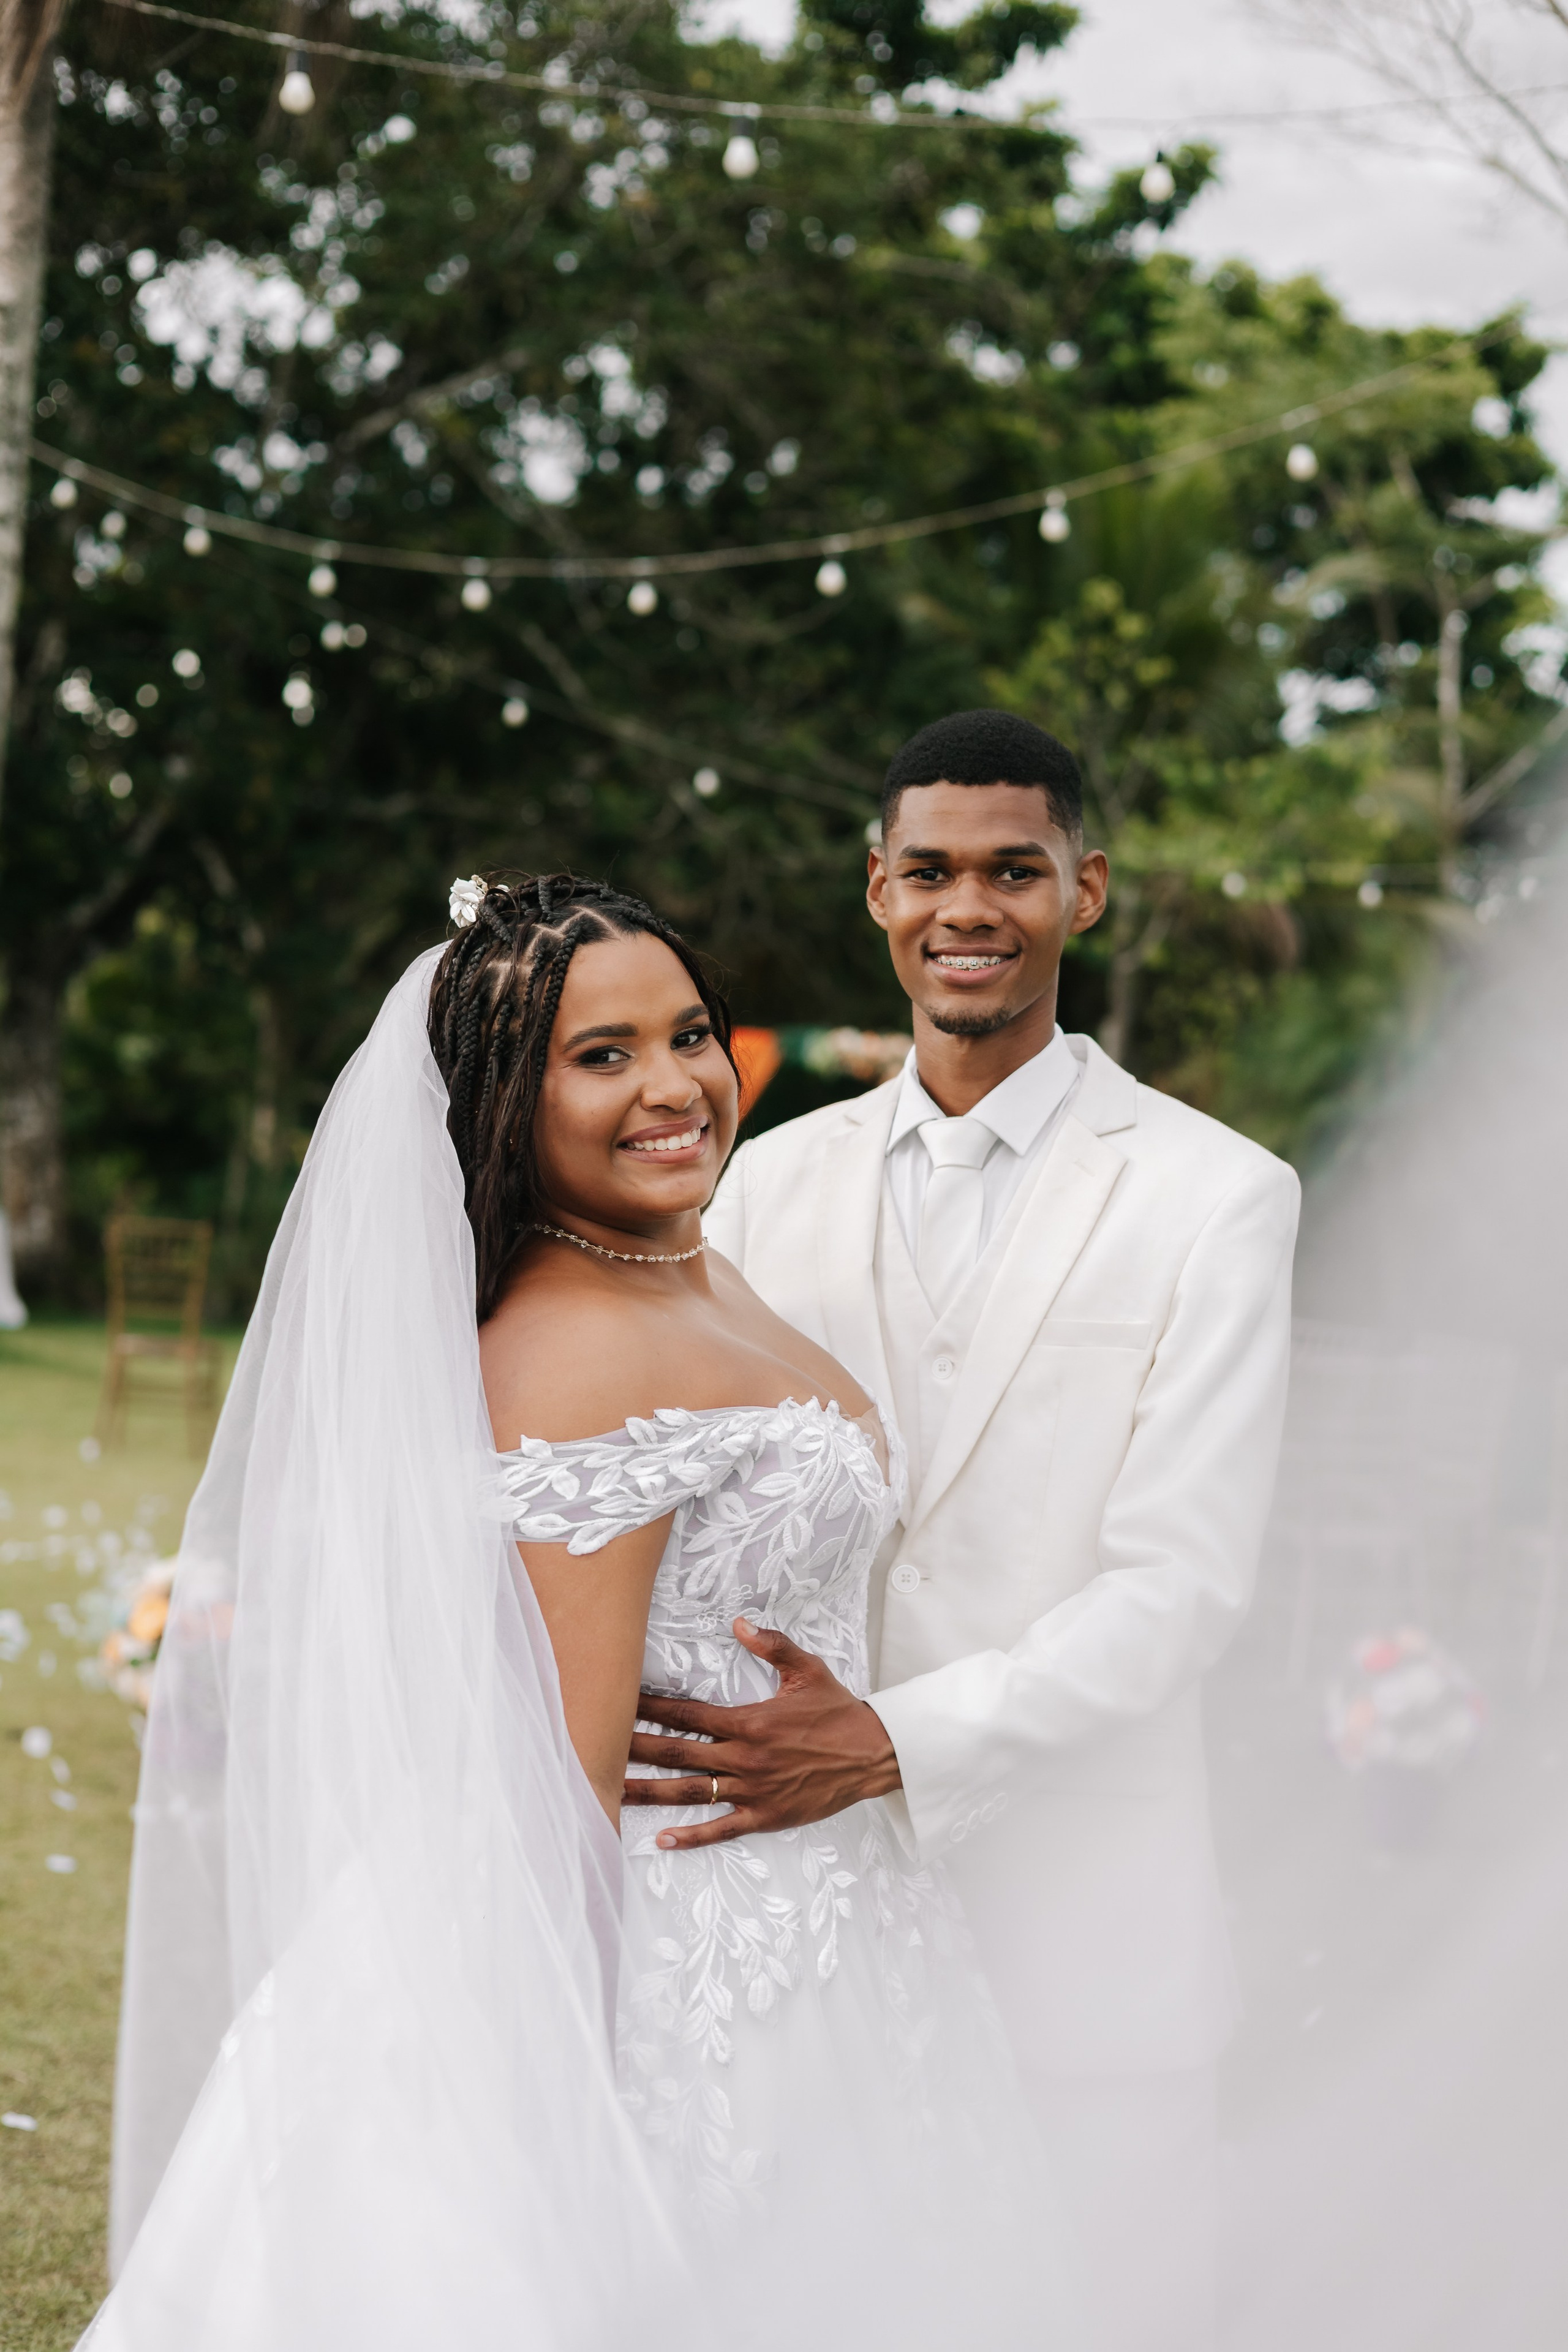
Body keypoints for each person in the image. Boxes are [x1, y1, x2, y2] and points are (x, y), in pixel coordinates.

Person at [88, 872, 1066, 2352]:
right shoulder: (566, 1352)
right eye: (599, 1055)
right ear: (499, 1100)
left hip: (829, 1923)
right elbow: (550, 1784)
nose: (672, 1085)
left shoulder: (688, 1267)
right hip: (671, 1966)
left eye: (686, 1034)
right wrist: (563, 2128)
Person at [638, 709, 1302, 2352]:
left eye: (1016, 870)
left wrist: (888, 1743)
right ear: (878, 890)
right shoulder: (761, 1186)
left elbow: (1185, 1585)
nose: (970, 907)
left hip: (1095, 1932)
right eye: (930, 869)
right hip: (811, 1927)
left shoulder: (1219, 1197)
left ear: (1087, 890)